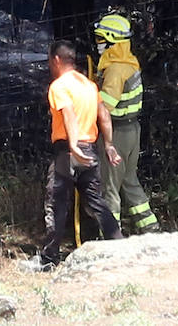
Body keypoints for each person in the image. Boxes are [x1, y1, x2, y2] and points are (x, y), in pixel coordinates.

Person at [38, 40, 123, 268]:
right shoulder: (89, 85)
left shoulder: (59, 86)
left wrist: (73, 145)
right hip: (90, 149)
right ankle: (119, 245)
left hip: (69, 150)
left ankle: (49, 258)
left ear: (56, 60)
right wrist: (109, 145)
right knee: (96, 201)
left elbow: (68, 115)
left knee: (56, 202)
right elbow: (103, 115)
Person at [93, 14, 159, 233]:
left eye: (101, 39)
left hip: (117, 133)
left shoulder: (114, 70)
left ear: (113, 41)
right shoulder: (130, 63)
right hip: (133, 130)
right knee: (130, 181)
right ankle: (150, 228)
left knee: (109, 187)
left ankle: (112, 237)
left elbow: (105, 107)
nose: (98, 44)